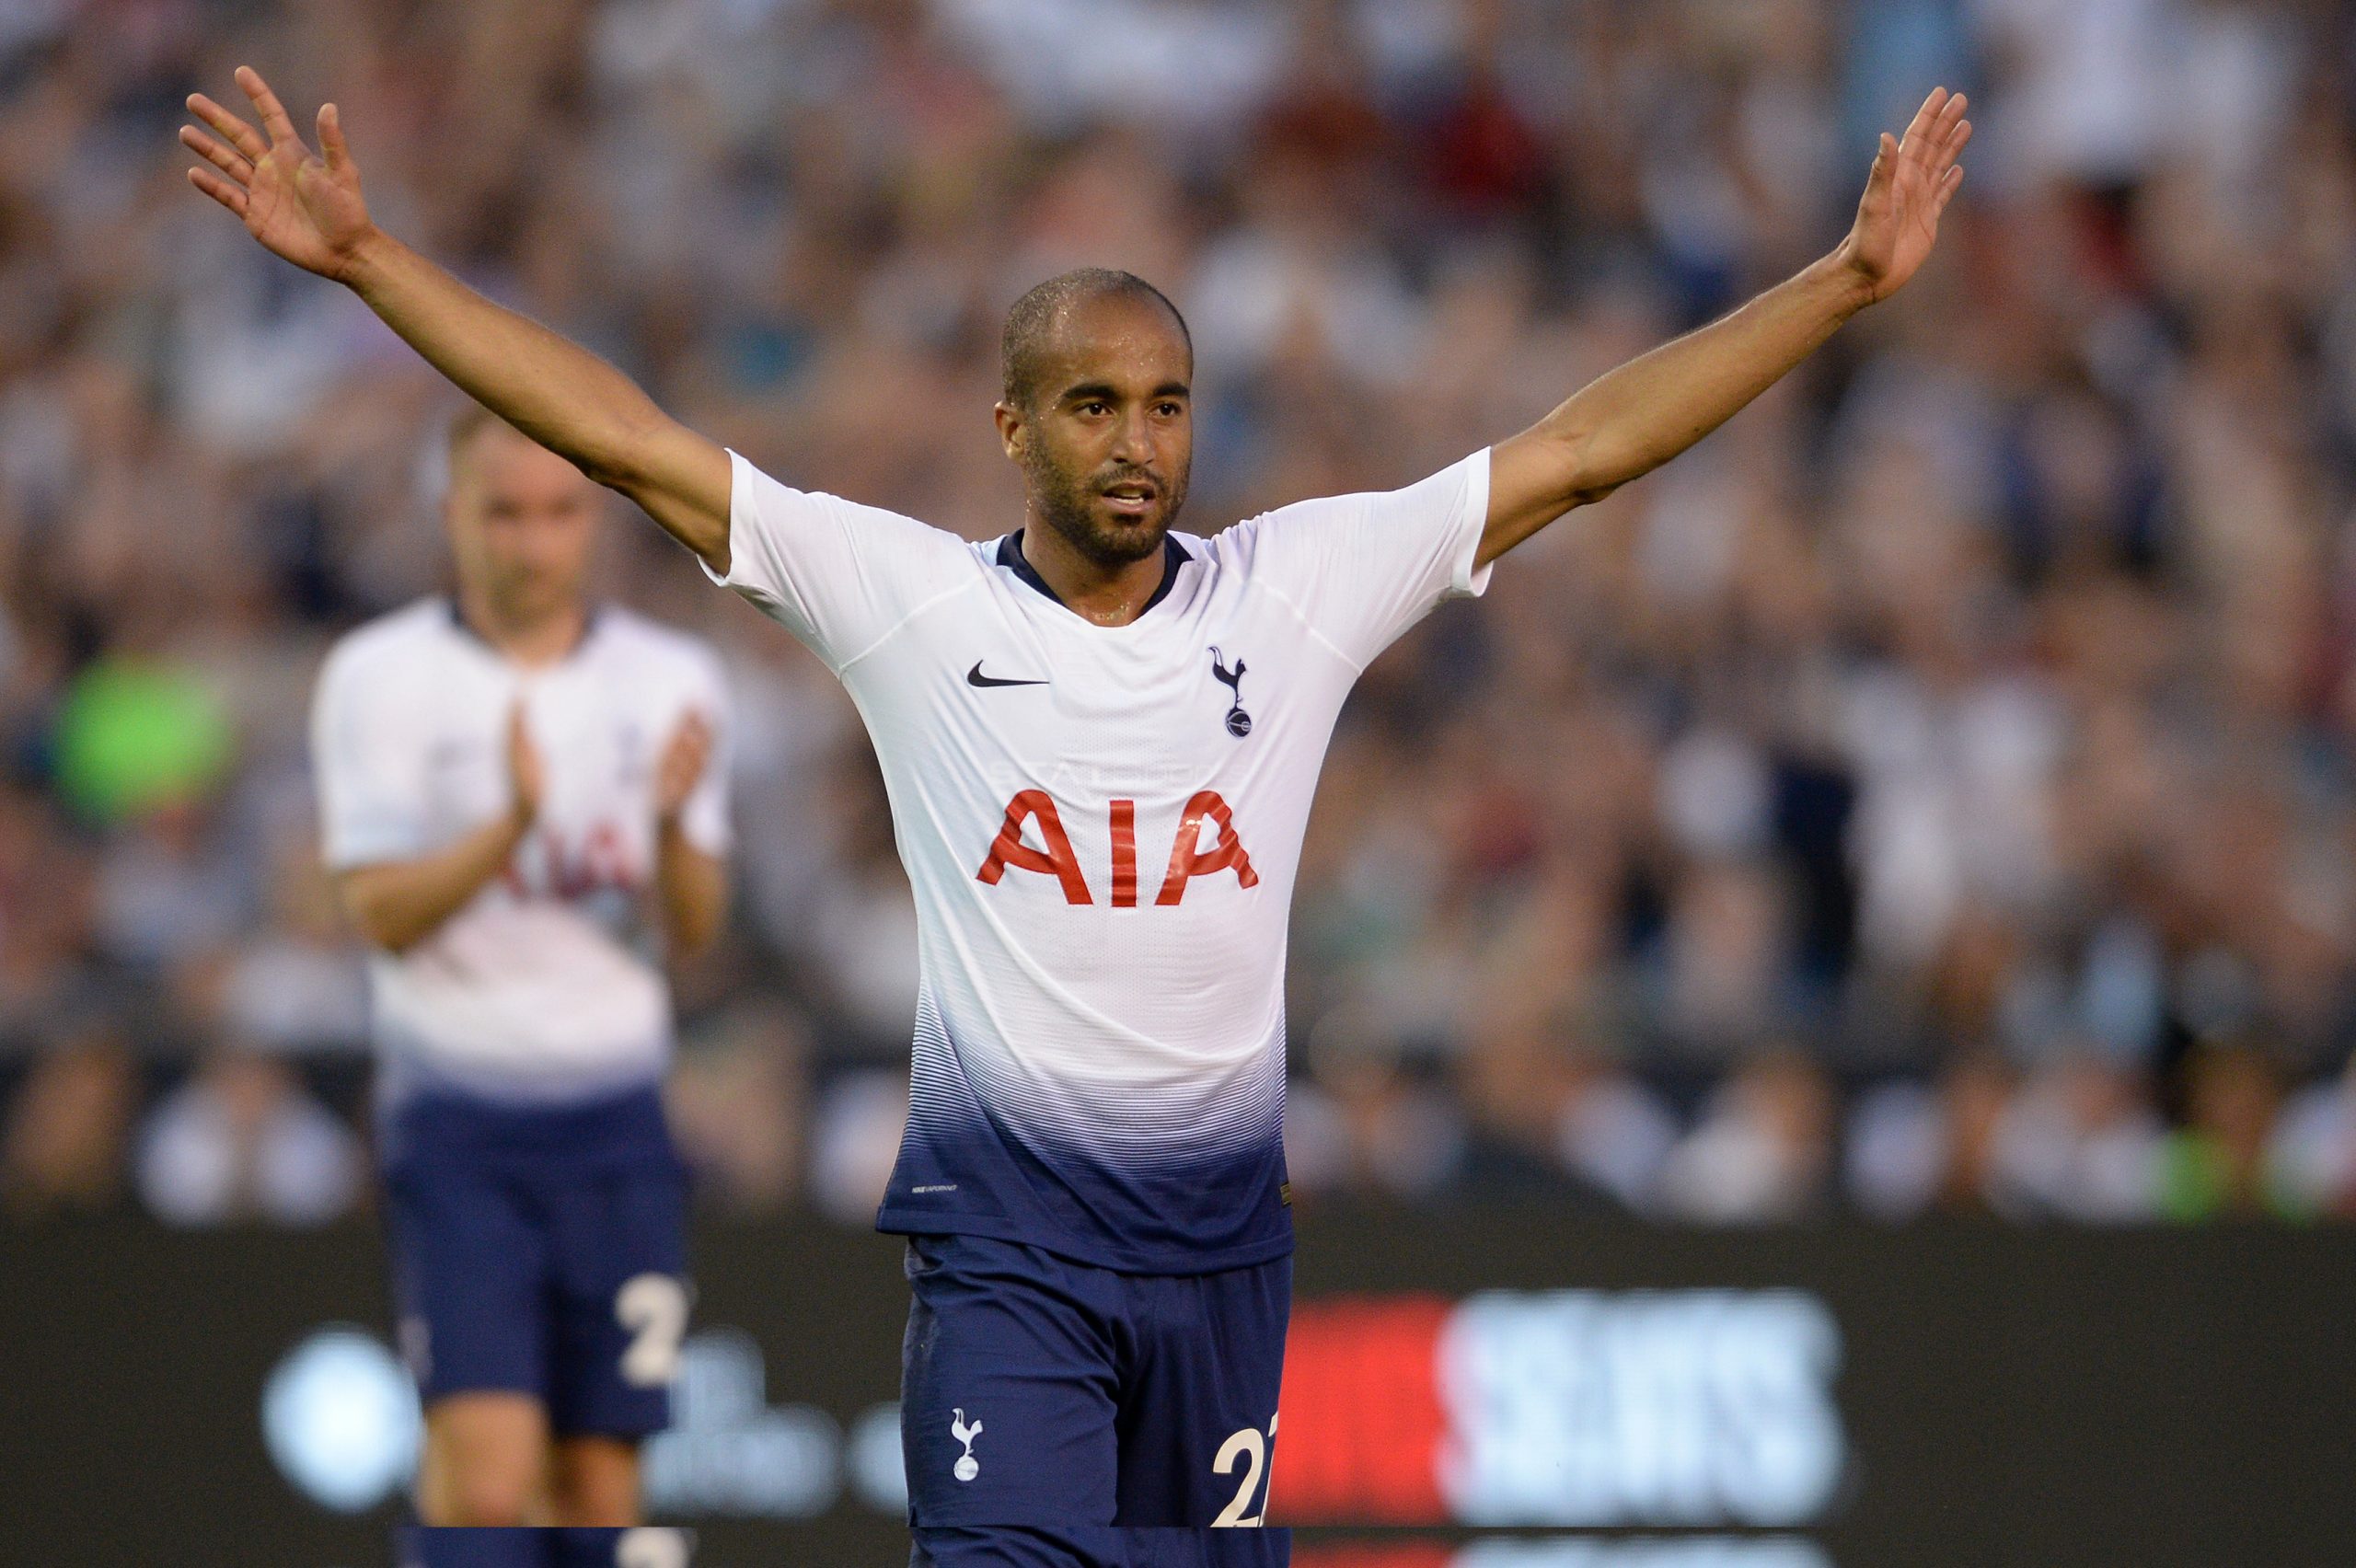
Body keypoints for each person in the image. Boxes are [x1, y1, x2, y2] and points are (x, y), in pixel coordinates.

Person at [183, 64, 1968, 1565]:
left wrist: (1839, 282)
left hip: (1222, 1260)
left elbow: (1580, 449)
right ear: (1010, 427)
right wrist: (368, 262)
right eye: (1093, 404)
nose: (1136, 441)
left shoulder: (1295, 589)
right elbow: (630, 442)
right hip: (1007, 1257)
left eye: (1166, 405)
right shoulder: (910, 604)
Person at [306, 401, 731, 1565]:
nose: (532, 543)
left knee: (603, 1485)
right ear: (452, 514)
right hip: (461, 1131)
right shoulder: (380, 677)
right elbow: (378, 914)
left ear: (591, 520)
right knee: (487, 1483)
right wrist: (509, 826)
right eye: (504, 512)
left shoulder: (670, 680)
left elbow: (695, 930)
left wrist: (669, 831)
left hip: (618, 1130)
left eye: (557, 513)